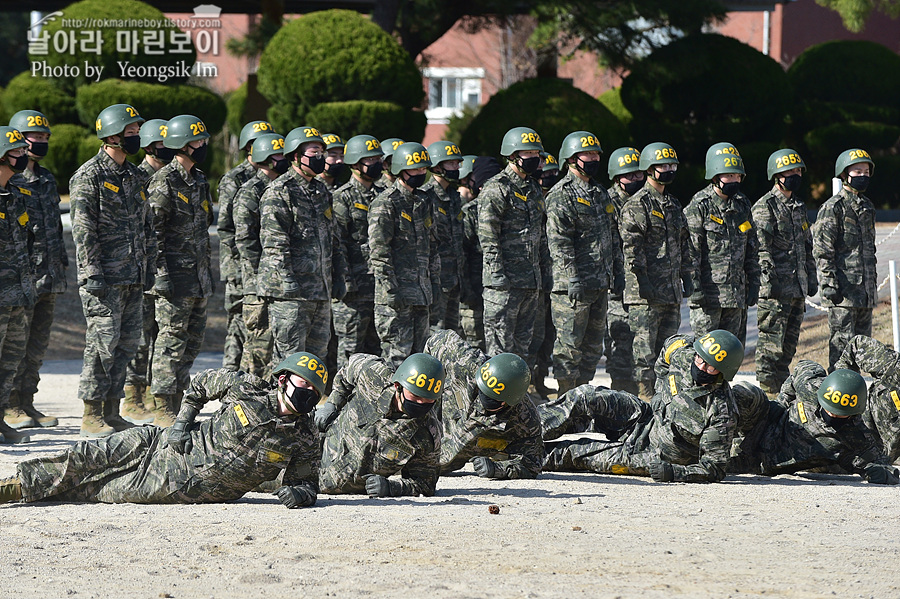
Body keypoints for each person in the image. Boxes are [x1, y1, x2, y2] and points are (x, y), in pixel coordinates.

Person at [0, 352, 326, 506]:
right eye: (304, 384)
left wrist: (300, 493)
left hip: (167, 485)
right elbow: (199, 386)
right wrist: (181, 424)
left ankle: (26, 490)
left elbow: (307, 483)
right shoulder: (248, 389)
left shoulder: (306, 437)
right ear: (283, 379)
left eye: (315, 391)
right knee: (85, 456)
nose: (308, 393)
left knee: (85, 491)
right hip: (158, 446)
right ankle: (11, 487)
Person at [542, 329, 766, 483]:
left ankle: (522, 454)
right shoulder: (684, 355)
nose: (701, 366)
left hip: (654, 455)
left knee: (573, 454)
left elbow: (713, 467)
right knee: (585, 397)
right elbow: (668, 351)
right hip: (645, 419)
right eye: (700, 358)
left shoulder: (721, 412)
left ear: (724, 372)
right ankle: (522, 427)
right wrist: (660, 389)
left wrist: (675, 473)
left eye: (710, 366)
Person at [70, 104, 147, 437]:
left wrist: (147, 267)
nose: (136, 137)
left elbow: (146, 227)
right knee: (101, 344)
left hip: (132, 277)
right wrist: (93, 274)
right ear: (112, 134)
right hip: (102, 279)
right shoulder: (89, 176)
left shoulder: (134, 176)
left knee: (126, 345)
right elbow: (83, 231)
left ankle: (113, 411)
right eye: (130, 131)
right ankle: (92, 413)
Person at [148, 114, 215, 425]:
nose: (202, 146)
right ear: (179, 144)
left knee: (191, 342)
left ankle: (177, 400)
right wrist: (160, 275)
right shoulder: (163, 182)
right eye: (196, 141)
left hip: (198, 279)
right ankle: (163, 405)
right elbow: (152, 233)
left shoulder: (200, 181)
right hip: (174, 279)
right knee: (171, 341)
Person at [545, 131, 623, 394]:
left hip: (599, 283)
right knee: (569, 346)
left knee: (592, 347)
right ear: (571, 159)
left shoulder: (600, 193)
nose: (595, 158)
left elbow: (612, 236)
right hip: (572, 287)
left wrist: (616, 273)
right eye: (588, 154)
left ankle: (583, 395)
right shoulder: (561, 195)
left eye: (597, 154)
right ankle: (566, 396)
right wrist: (572, 277)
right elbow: (559, 241)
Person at [730, 364, 898, 485]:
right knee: (746, 393)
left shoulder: (857, 437)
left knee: (723, 464)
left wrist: (877, 473)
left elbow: (885, 468)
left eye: (840, 413)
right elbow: (800, 370)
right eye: (829, 409)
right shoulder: (811, 386)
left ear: (855, 413)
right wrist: (782, 402)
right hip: (763, 425)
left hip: (763, 462)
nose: (832, 414)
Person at [257, 126, 341, 366]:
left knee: (316, 361)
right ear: (295, 156)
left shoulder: (321, 190)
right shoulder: (279, 191)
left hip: (319, 290)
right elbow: (275, 246)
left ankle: (308, 405)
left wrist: (338, 275)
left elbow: (331, 238)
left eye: (322, 153)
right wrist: (289, 286)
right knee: (290, 361)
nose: (320, 158)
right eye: (314, 152)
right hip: (289, 295)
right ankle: (279, 403)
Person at [4, 110, 67, 430]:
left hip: (48, 274)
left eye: (45, 137)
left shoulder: (46, 178)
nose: (41, 142)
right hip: (20, 278)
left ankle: (27, 401)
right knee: (15, 344)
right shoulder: (11, 181)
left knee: (37, 345)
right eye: (35, 137)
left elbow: (54, 227)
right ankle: (11, 405)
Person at [620, 142, 695, 400]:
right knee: (644, 353)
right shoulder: (636, 205)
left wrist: (686, 275)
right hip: (645, 294)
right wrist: (641, 279)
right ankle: (644, 398)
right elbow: (631, 247)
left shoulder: (674, 204)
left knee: (670, 350)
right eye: (663, 166)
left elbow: (684, 243)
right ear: (649, 169)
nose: (669, 170)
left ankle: (664, 400)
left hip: (670, 292)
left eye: (672, 165)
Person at [314, 352, 443, 497]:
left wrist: (392, 487)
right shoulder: (374, 377)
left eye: (428, 399)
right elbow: (350, 367)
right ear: (398, 386)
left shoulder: (426, 433)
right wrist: (332, 404)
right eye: (416, 396)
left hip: (341, 494)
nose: (421, 403)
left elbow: (424, 484)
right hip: (312, 459)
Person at [424, 328, 543, 479]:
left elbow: (532, 464)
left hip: (445, 462)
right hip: (432, 429)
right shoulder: (465, 362)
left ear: (509, 402)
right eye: (482, 391)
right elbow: (438, 339)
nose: (484, 399)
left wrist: (497, 468)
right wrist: (427, 392)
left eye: (494, 398)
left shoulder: (525, 417)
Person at [478, 126, 550, 367]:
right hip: (504, 285)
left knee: (523, 349)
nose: (535, 159)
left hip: (530, 283)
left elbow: (540, 236)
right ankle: (496, 402)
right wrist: (498, 277)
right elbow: (488, 237)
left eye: (536, 154)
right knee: (500, 351)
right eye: (528, 153)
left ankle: (518, 401)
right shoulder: (496, 188)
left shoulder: (533, 189)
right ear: (512, 155)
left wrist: (544, 275)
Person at [367, 142, 440, 366]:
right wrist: (390, 290)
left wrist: (434, 283)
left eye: (423, 169)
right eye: (415, 169)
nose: (420, 174)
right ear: (400, 169)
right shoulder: (385, 204)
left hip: (421, 294)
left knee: (421, 359)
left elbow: (432, 247)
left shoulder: (423, 202)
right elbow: (379, 253)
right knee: (396, 359)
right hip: (396, 298)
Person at [752, 149, 817, 396]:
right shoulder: (764, 208)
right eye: (790, 172)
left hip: (797, 290)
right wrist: (769, 285)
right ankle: (768, 394)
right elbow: (761, 249)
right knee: (771, 347)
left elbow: (806, 246)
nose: (795, 175)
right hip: (775, 292)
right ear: (776, 176)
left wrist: (811, 277)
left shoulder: (798, 207)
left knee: (788, 347)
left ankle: (781, 394)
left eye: (798, 171)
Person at [684, 142, 759, 345]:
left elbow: (752, 248)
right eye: (729, 176)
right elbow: (690, 251)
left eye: (737, 176)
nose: (734, 180)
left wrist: (754, 283)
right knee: (706, 353)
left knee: (731, 353)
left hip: (736, 296)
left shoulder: (742, 204)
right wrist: (695, 287)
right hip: (708, 298)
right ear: (716, 176)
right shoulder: (699, 206)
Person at [218, 120, 276, 372]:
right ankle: (231, 377)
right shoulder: (235, 179)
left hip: (267, 268)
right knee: (239, 327)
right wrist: (238, 269)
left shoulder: (277, 176)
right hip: (241, 268)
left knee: (262, 329)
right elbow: (228, 229)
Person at [122, 117, 169, 426]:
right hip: (142, 268)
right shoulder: (138, 177)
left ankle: (153, 390)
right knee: (139, 337)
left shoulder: (174, 177)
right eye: (162, 144)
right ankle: (132, 395)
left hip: (165, 269)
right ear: (149, 145)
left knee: (160, 336)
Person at [813, 148, 877, 370]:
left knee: (863, 351)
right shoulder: (833, 208)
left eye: (866, 171)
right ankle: (837, 401)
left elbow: (870, 251)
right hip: (843, 294)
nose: (863, 175)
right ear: (844, 175)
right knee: (842, 355)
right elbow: (822, 250)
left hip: (865, 293)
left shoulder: (868, 207)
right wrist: (829, 284)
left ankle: (857, 399)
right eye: (857, 171)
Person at [234, 133, 289, 377]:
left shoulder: (285, 187)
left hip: (280, 285)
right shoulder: (250, 192)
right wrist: (263, 273)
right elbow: (245, 240)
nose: (284, 159)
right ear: (265, 158)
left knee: (277, 346)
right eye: (278, 155)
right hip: (257, 283)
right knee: (258, 346)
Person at [331, 134, 384, 369]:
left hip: (380, 287)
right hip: (353, 291)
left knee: (377, 350)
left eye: (377, 159)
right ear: (354, 163)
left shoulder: (384, 195)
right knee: (351, 351)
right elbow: (337, 243)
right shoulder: (343, 198)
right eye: (369, 159)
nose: (376, 164)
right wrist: (345, 283)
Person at [0, 126, 36, 445]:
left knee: (9, 363)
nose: (24, 157)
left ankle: (0, 420)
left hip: (18, 295)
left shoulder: (15, 194)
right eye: (17, 152)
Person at [604, 146, 644, 395]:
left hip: (642, 283)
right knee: (619, 338)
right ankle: (621, 390)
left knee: (643, 342)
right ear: (617, 177)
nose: (635, 180)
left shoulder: (647, 201)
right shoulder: (606, 202)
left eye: (639, 175)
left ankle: (641, 391)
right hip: (617, 283)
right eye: (629, 175)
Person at [834, 334, 900, 462]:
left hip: (873, 460)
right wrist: (844, 392)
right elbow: (857, 345)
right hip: (846, 431)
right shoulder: (894, 369)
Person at [459, 156, 502, 353]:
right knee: (474, 345)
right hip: (474, 292)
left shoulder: (505, 209)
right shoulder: (470, 212)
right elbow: (462, 254)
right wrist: (467, 289)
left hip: (498, 289)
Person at [423, 140, 466, 333]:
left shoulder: (455, 196)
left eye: (458, 164)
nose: (457, 168)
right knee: (435, 333)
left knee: (453, 335)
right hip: (436, 281)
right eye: (451, 163)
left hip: (455, 278)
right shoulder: (425, 197)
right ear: (437, 166)